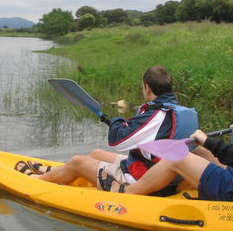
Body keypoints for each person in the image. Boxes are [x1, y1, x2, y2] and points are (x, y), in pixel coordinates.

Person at [104, 63, 233, 202]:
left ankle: (127, 192)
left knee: (177, 157)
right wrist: (210, 145)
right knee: (198, 152)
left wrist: (208, 141)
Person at [16, 65, 199, 195]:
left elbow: (117, 141)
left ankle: (35, 182)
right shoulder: (181, 112)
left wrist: (117, 121)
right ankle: (56, 172)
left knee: (77, 162)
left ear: (147, 87)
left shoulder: (158, 116)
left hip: (144, 180)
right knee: (96, 153)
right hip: (160, 172)